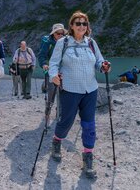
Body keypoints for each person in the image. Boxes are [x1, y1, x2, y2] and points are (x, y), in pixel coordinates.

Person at [48, 11, 111, 179]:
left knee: (89, 125)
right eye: (78, 23)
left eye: (84, 23)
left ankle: (88, 158)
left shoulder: (91, 43)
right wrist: (53, 75)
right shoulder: (63, 42)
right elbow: (54, 63)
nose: (81, 26)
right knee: (66, 121)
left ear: (87, 26)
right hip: (69, 89)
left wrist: (103, 66)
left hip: (90, 90)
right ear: (72, 26)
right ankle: (56, 141)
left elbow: (99, 61)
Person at [38, 23, 67, 93]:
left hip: (64, 69)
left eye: (62, 34)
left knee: (64, 90)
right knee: (51, 90)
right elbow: (42, 55)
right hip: (51, 67)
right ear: (53, 33)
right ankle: (49, 101)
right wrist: (44, 64)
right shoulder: (47, 42)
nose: (60, 35)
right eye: (58, 33)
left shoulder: (67, 42)